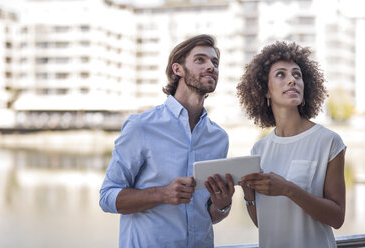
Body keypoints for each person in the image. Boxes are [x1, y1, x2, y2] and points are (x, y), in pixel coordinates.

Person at [99, 34, 235, 248]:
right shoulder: (141, 126)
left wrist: (222, 205)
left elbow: (208, 215)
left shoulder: (219, 138)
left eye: (214, 62)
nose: (211, 66)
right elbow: (107, 197)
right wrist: (162, 193)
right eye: (200, 60)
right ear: (177, 69)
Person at [236, 41, 346, 248]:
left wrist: (287, 189)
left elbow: (337, 218)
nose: (292, 80)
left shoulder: (328, 141)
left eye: (297, 75)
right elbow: (264, 223)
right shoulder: (259, 150)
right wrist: (249, 196)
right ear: (265, 91)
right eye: (281, 74)